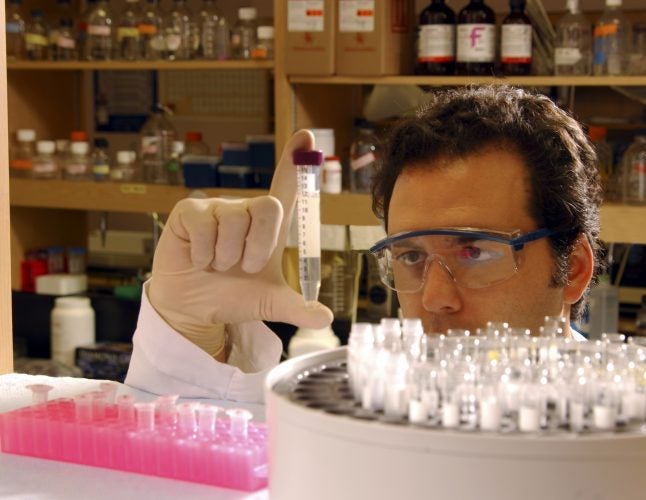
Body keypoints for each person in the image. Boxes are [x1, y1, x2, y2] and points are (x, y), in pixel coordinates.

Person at [125, 85, 604, 402]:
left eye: (474, 250)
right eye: (412, 256)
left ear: (575, 269)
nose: (434, 298)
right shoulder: (360, 411)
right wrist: (190, 341)